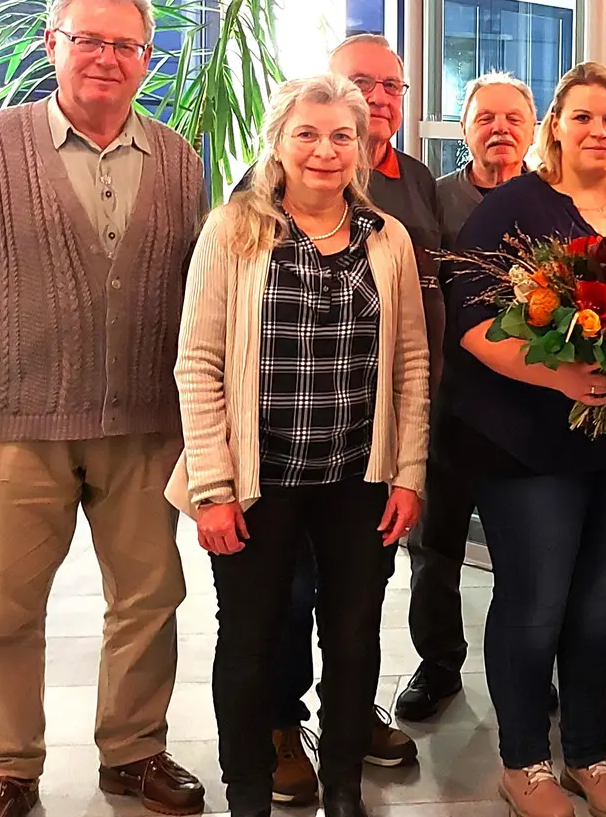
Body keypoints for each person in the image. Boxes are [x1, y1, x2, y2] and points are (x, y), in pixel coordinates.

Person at [0, 0, 208, 817]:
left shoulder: (177, 160)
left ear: (147, 60)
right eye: (87, 40)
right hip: (19, 422)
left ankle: (134, 752)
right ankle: (7, 768)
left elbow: (196, 300)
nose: (105, 58)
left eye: (124, 45)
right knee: (1, 611)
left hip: (143, 426)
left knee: (148, 598)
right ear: (53, 46)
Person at [167, 73, 431, 817]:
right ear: (278, 143)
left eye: (341, 136)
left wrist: (408, 474)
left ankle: (344, 788)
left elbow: (411, 362)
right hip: (258, 482)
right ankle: (247, 793)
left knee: (352, 642)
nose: (324, 150)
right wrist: (213, 489)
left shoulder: (389, 240)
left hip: (359, 477)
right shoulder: (234, 231)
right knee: (250, 645)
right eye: (306, 134)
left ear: (363, 147)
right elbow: (198, 363)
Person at [448, 62, 606, 817]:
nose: (599, 132)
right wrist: (561, 378)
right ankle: (524, 762)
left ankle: (587, 753)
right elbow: (472, 325)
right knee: (536, 601)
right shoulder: (514, 206)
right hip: (530, 442)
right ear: (556, 127)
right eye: (583, 118)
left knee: (604, 602)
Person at [260, 33, 434, 804]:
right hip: (280, 451)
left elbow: (421, 319)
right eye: (364, 83)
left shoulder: (417, 186)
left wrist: (410, 451)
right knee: (289, 597)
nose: (380, 98)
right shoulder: (258, 203)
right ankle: (278, 725)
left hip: (372, 445)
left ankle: (349, 716)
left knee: (358, 598)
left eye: (392, 85)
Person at [398, 71, 539, 721]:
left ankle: (532, 670)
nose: (500, 129)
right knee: (436, 550)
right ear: (464, 129)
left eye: (513, 117)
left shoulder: (550, 203)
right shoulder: (434, 200)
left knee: (529, 555)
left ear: (533, 129)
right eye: (485, 117)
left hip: (527, 412)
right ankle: (438, 665)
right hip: (445, 409)